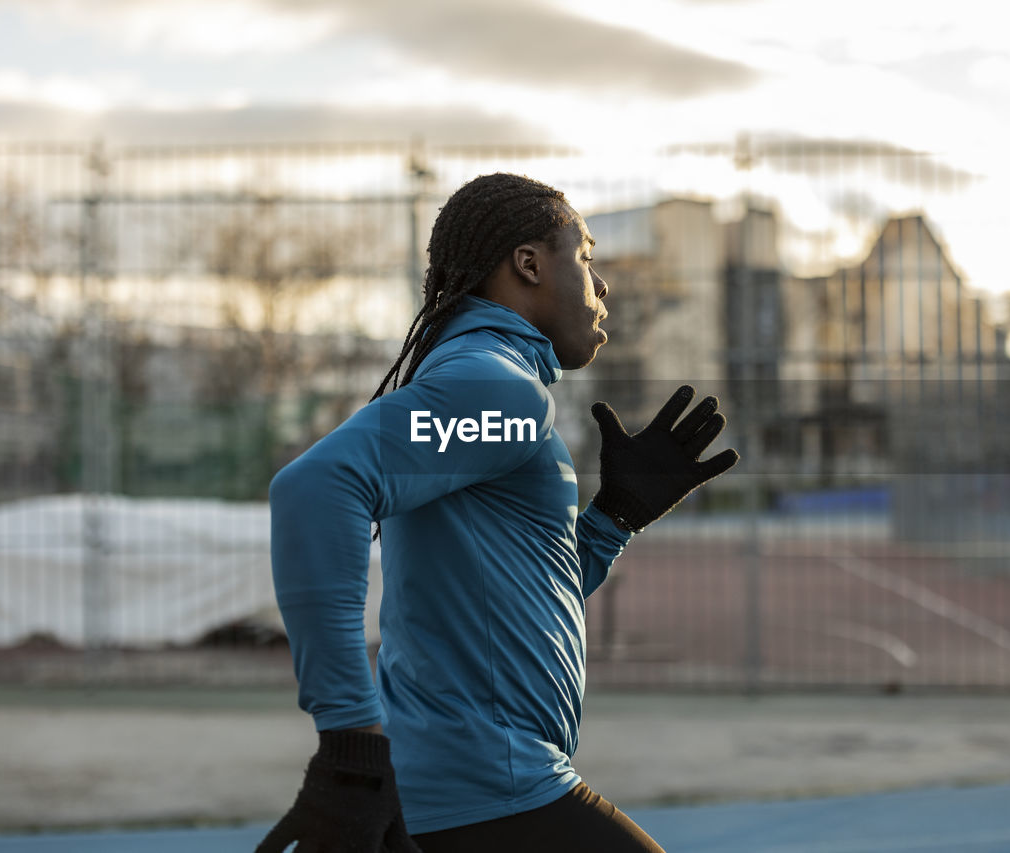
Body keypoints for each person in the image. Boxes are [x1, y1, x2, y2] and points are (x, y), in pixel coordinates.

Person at [258, 173, 738, 853]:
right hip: (489, 789)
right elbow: (315, 487)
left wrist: (613, 520)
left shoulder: (480, 377)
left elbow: (507, 599)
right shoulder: (497, 388)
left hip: (460, 791)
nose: (601, 287)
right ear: (530, 264)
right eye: (586, 256)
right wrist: (349, 742)